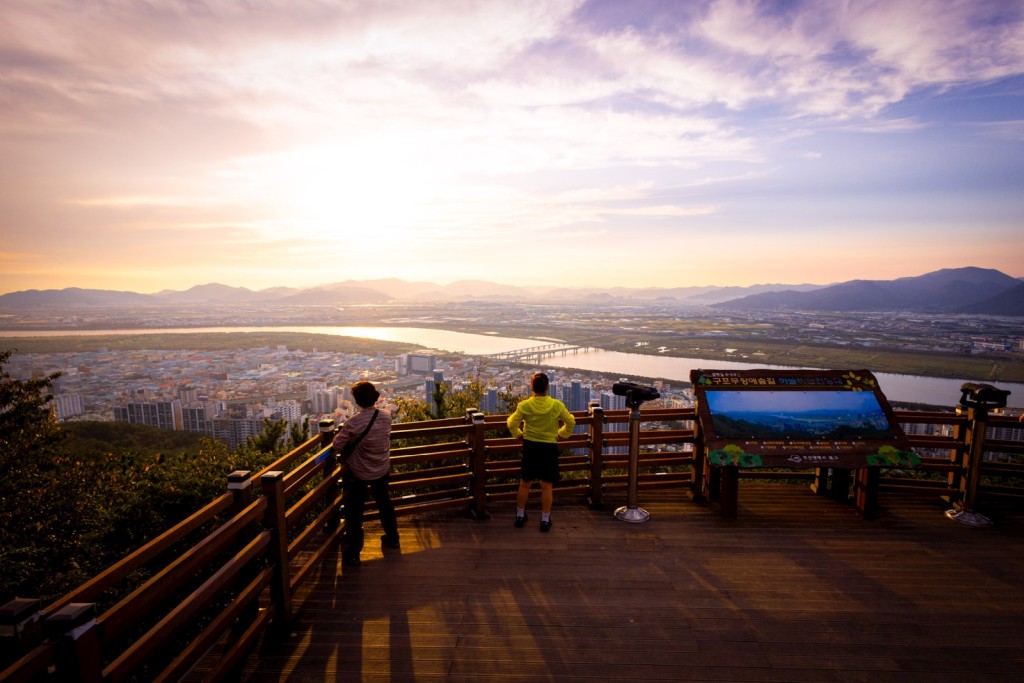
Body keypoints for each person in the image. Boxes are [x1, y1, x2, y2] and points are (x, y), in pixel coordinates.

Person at [333, 380, 399, 567]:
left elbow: (337, 444)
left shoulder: (353, 422)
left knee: (355, 512)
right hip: (382, 468)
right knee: (384, 503)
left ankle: (354, 553)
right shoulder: (386, 416)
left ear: (357, 401)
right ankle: (393, 538)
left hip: (359, 472)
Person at [506, 372, 575, 532]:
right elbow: (571, 421)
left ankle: (520, 516)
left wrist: (519, 435)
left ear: (532, 387)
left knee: (525, 484)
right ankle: (544, 520)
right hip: (548, 448)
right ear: (547, 387)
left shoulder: (525, 405)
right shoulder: (556, 405)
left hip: (530, 446)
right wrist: (561, 434)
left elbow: (511, 423)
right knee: (546, 486)